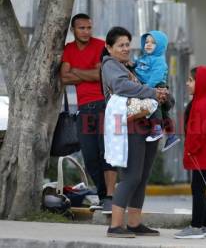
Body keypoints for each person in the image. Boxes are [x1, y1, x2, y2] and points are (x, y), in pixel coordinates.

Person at [101, 26, 168, 238]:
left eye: (128, 44)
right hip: (130, 126)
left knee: (142, 177)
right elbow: (120, 87)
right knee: (131, 177)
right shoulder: (110, 65)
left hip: (146, 126)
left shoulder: (134, 66)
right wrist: (152, 92)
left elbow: (154, 84)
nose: (125, 48)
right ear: (109, 48)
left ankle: (134, 223)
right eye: (120, 45)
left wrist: (163, 95)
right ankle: (115, 225)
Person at [60, 13, 117, 214]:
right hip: (83, 109)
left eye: (89, 27)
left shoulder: (101, 46)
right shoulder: (68, 49)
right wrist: (87, 73)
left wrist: (76, 71)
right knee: (90, 156)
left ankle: (110, 196)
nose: (86, 31)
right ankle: (103, 197)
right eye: (81, 28)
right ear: (73, 30)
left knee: (106, 153)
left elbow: (100, 75)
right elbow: (63, 78)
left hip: (103, 106)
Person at [174, 66, 206, 239]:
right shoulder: (202, 99)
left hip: (203, 153)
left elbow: (197, 133)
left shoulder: (201, 103)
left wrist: (190, 151)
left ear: (201, 83)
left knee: (198, 188)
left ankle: (196, 227)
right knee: (200, 187)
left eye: (191, 80)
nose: (187, 83)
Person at [134, 30, 180, 151]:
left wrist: (147, 88)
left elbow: (156, 76)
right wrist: (131, 64)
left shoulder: (159, 60)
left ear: (160, 46)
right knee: (164, 114)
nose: (148, 44)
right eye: (147, 42)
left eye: (153, 43)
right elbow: (139, 68)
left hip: (156, 85)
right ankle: (171, 135)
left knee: (155, 106)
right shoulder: (144, 58)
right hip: (149, 85)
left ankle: (157, 129)